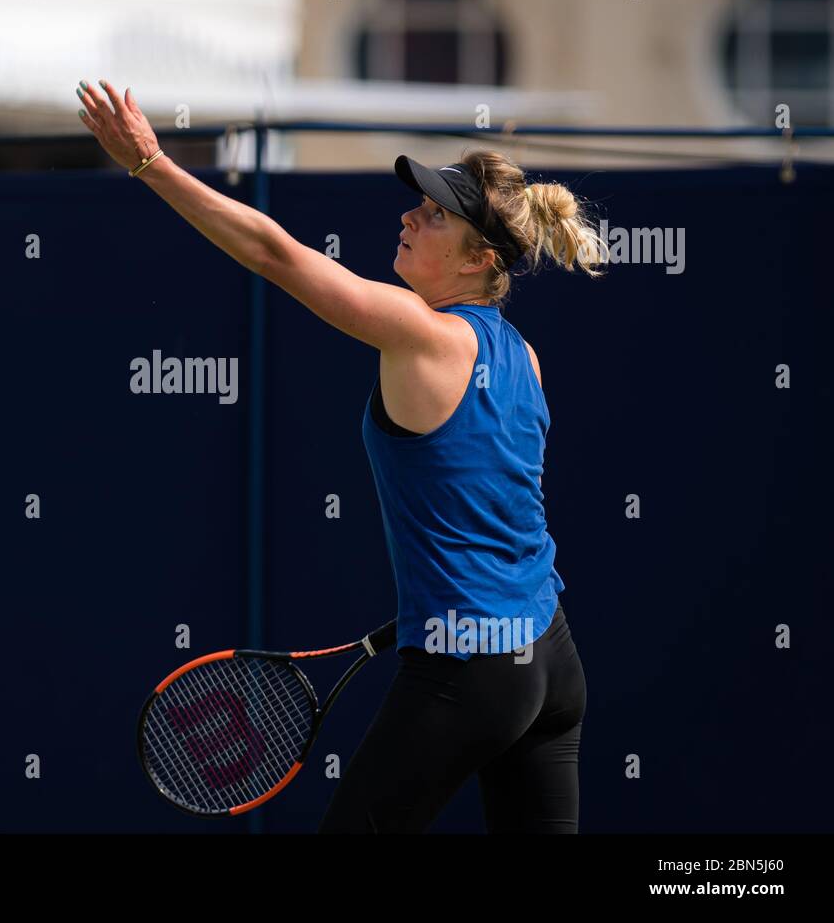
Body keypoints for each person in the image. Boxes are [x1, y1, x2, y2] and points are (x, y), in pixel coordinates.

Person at [76, 78, 607, 833]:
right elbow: (492, 517)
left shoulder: (420, 333)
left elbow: (275, 255)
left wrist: (151, 162)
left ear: (475, 257)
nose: (408, 217)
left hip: (471, 669)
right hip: (551, 661)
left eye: (431, 215)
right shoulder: (523, 355)